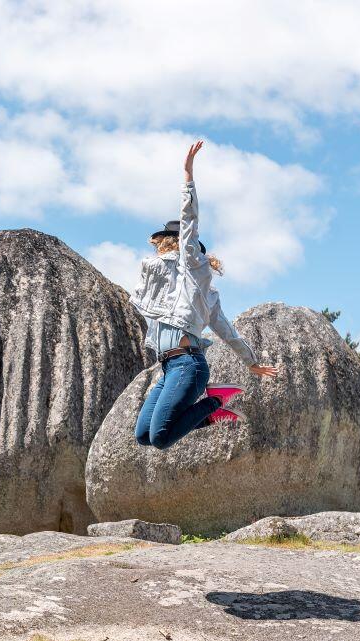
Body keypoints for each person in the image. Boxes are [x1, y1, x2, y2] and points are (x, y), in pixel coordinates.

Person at [130, 141, 279, 450]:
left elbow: (189, 223)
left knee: (160, 438)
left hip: (189, 365)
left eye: (165, 240)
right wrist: (251, 362)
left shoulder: (192, 269)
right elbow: (226, 330)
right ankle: (213, 412)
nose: (158, 245)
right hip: (170, 367)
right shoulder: (164, 281)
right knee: (143, 435)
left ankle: (214, 404)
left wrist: (188, 175)